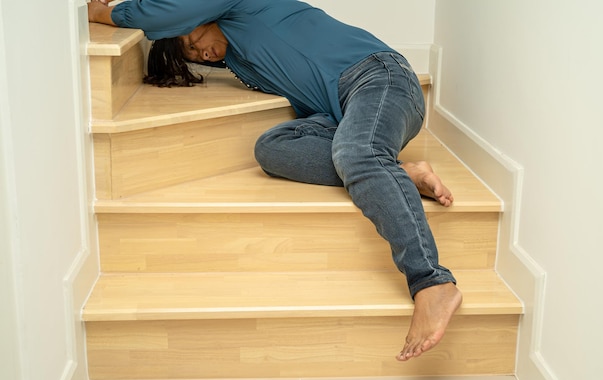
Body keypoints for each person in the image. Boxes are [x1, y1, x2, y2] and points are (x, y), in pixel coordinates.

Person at [88, 0, 463, 361]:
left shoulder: (241, 4)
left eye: (191, 42)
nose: (201, 54)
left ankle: (431, 281)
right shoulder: (240, 58)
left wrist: (106, 12)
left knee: (356, 154)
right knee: (272, 147)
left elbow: (165, 11)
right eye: (193, 57)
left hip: (379, 77)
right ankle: (399, 173)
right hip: (342, 112)